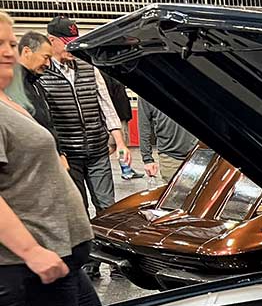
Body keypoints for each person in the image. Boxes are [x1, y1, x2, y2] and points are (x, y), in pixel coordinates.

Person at [0, 11, 96, 306]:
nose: (6, 49)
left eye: (8, 40)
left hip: (62, 252)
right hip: (27, 261)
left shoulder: (8, 100)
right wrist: (34, 251)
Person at [38, 15, 131, 215]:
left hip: (98, 152)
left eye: (74, 43)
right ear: (51, 40)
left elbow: (106, 105)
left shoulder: (90, 68)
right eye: (67, 44)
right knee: (78, 210)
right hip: (69, 156)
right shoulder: (43, 75)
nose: (72, 48)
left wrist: (120, 143)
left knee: (108, 208)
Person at [137, 96, 197, 184]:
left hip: (200, 155)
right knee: (175, 196)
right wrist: (147, 159)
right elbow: (144, 128)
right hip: (170, 158)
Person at [105, 75, 141, 180]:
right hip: (117, 116)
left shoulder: (112, 77)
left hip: (121, 115)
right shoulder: (106, 76)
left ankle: (127, 169)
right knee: (115, 145)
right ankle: (126, 170)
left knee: (120, 145)